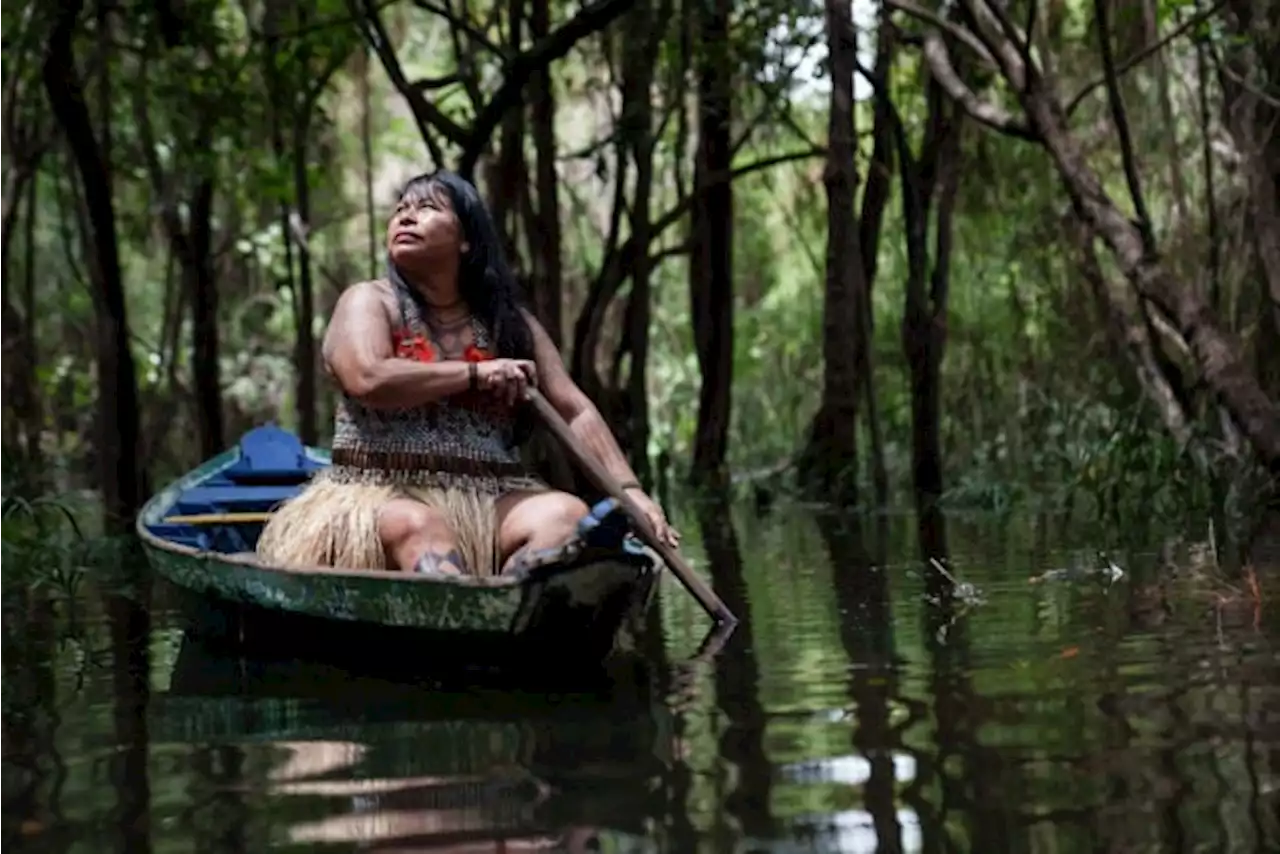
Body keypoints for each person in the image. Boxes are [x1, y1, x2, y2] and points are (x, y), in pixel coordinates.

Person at [256, 170, 677, 576]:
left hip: (489, 498)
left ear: (466, 241)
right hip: (379, 496)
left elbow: (572, 409)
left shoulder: (508, 326)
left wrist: (630, 492)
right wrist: (475, 375)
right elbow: (368, 378)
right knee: (418, 526)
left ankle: (512, 607)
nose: (405, 216)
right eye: (400, 209)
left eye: (426, 208)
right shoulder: (368, 302)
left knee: (566, 515)